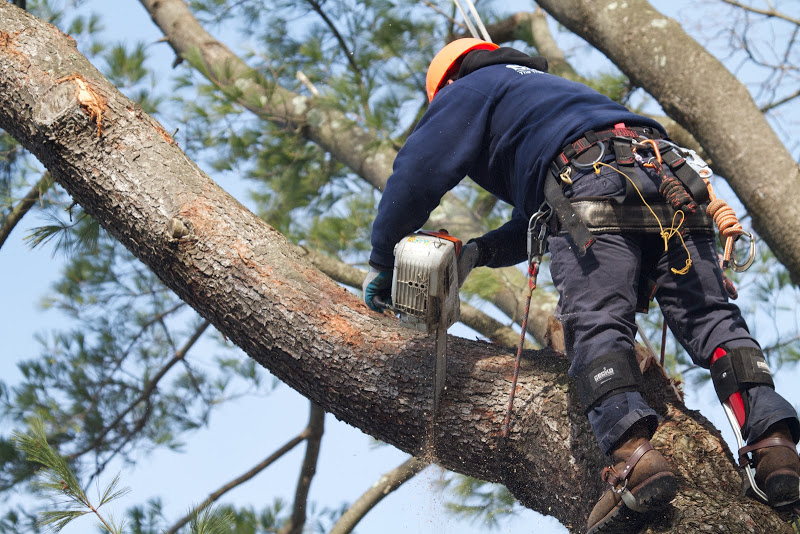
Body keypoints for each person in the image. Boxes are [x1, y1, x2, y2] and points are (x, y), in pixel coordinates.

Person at [362, 38, 800, 532]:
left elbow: (419, 170)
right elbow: (546, 214)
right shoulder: (556, 93)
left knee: (597, 322)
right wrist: (480, 252)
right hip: (670, 178)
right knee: (713, 320)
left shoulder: (470, 88)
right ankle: (775, 446)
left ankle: (634, 458)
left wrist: (383, 256)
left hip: (591, 181)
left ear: (447, 84)